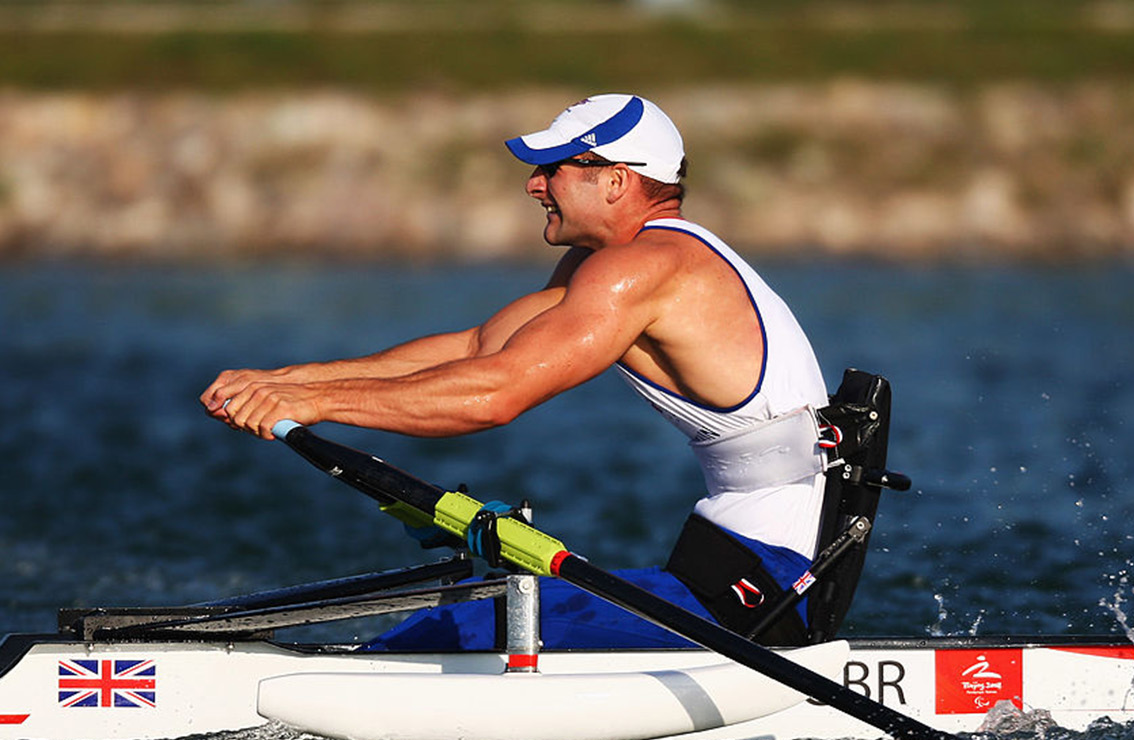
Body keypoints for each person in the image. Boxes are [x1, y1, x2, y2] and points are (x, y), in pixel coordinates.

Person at [201, 93, 832, 650]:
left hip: (769, 584)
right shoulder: (622, 260)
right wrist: (290, 383)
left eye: (552, 168)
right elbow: (480, 349)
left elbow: (494, 397)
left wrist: (318, 406)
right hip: (731, 557)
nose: (534, 185)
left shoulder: (644, 267)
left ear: (615, 180)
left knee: (473, 622)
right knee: (473, 612)